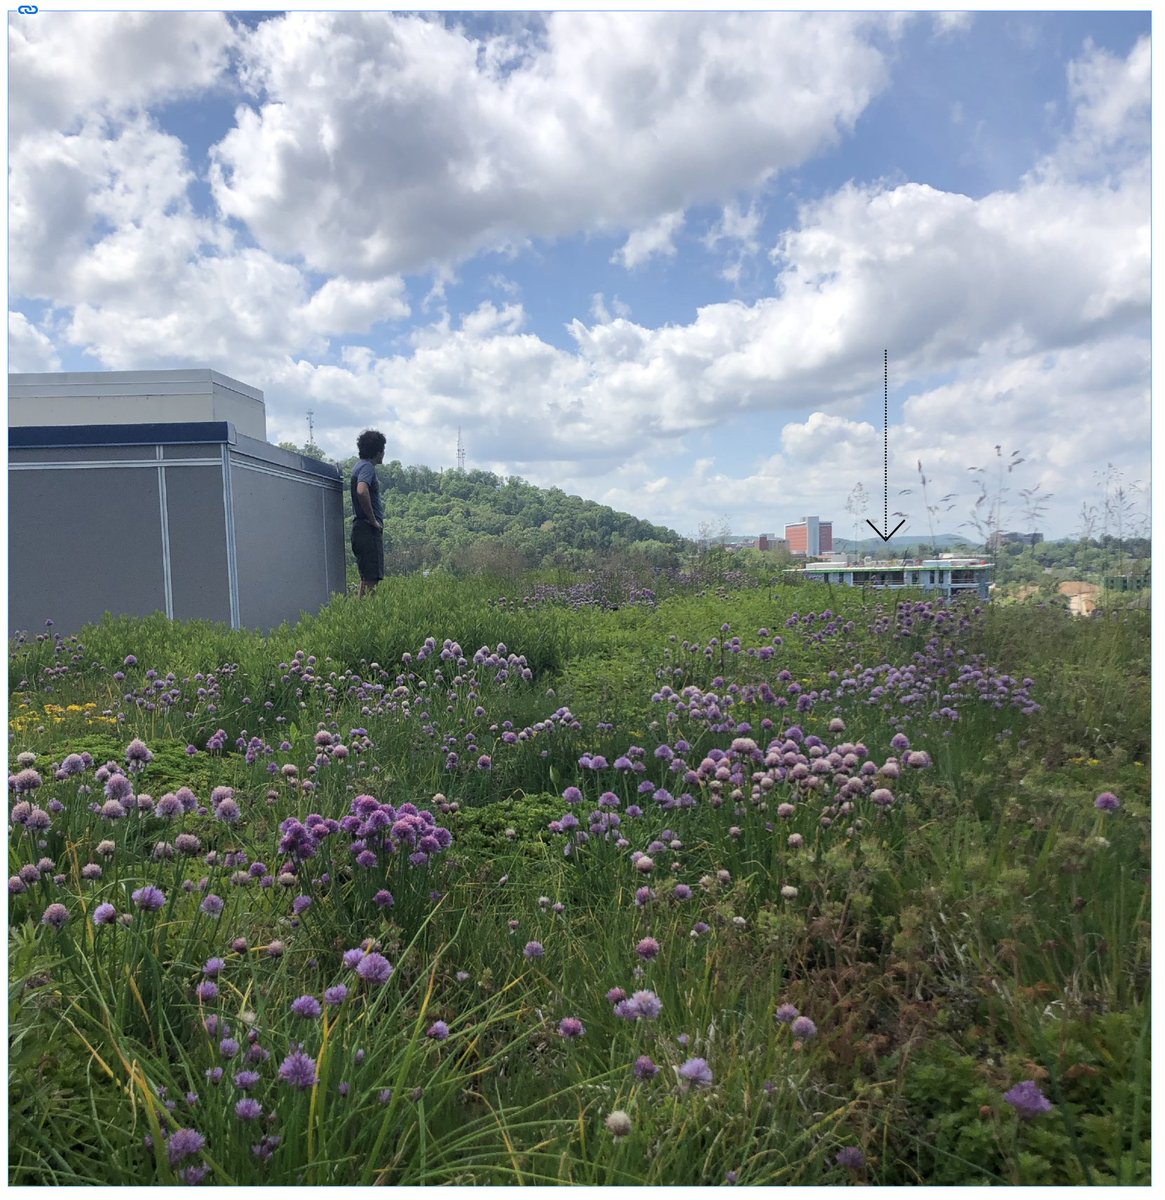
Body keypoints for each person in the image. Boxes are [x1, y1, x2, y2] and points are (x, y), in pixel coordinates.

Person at [350, 429, 386, 596]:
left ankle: (360, 615)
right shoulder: (367, 468)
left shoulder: (358, 466)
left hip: (360, 530)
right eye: (383, 450)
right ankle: (371, 616)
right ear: (378, 451)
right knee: (372, 579)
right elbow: (361, 490)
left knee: (366, 577)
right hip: (367, 529)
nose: (383, 454)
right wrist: (373, 521)